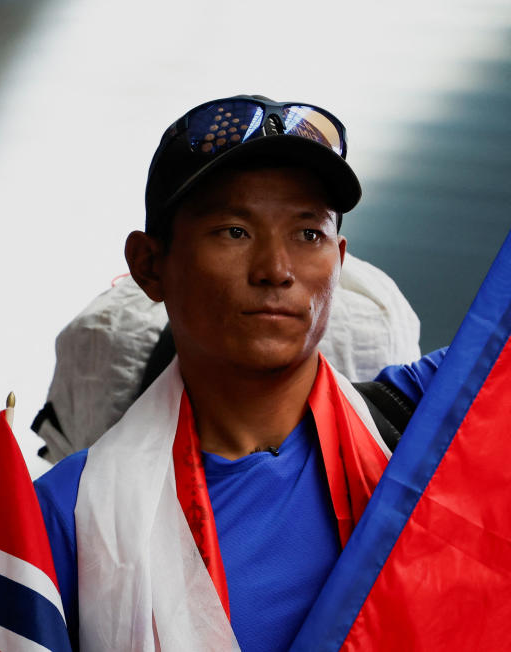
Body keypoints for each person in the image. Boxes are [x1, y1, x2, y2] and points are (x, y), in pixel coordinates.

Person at [34, 96, 444, 651]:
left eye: (308, 234)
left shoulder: (428, 428)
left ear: (340, 260)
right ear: (149, 265)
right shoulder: (64, 519)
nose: (276, 270)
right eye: (234, 230)